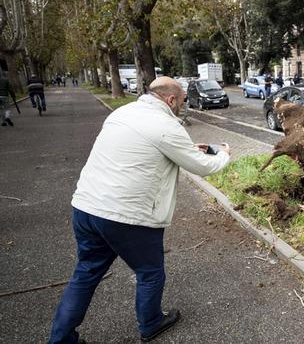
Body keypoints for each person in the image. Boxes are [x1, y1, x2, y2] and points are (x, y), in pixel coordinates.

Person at [48, 77, 231, 343]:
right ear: (170, 100)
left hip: (86, 207)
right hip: (126, 216)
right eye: (181, 100)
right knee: (150, 272)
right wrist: (224, 153)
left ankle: (61, 338)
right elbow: (205, 167)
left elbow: (142, 147)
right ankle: (151, 322)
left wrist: (188, 149)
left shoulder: (122, 112)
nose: (183, 105)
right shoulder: (167, 125)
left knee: (86, 273)